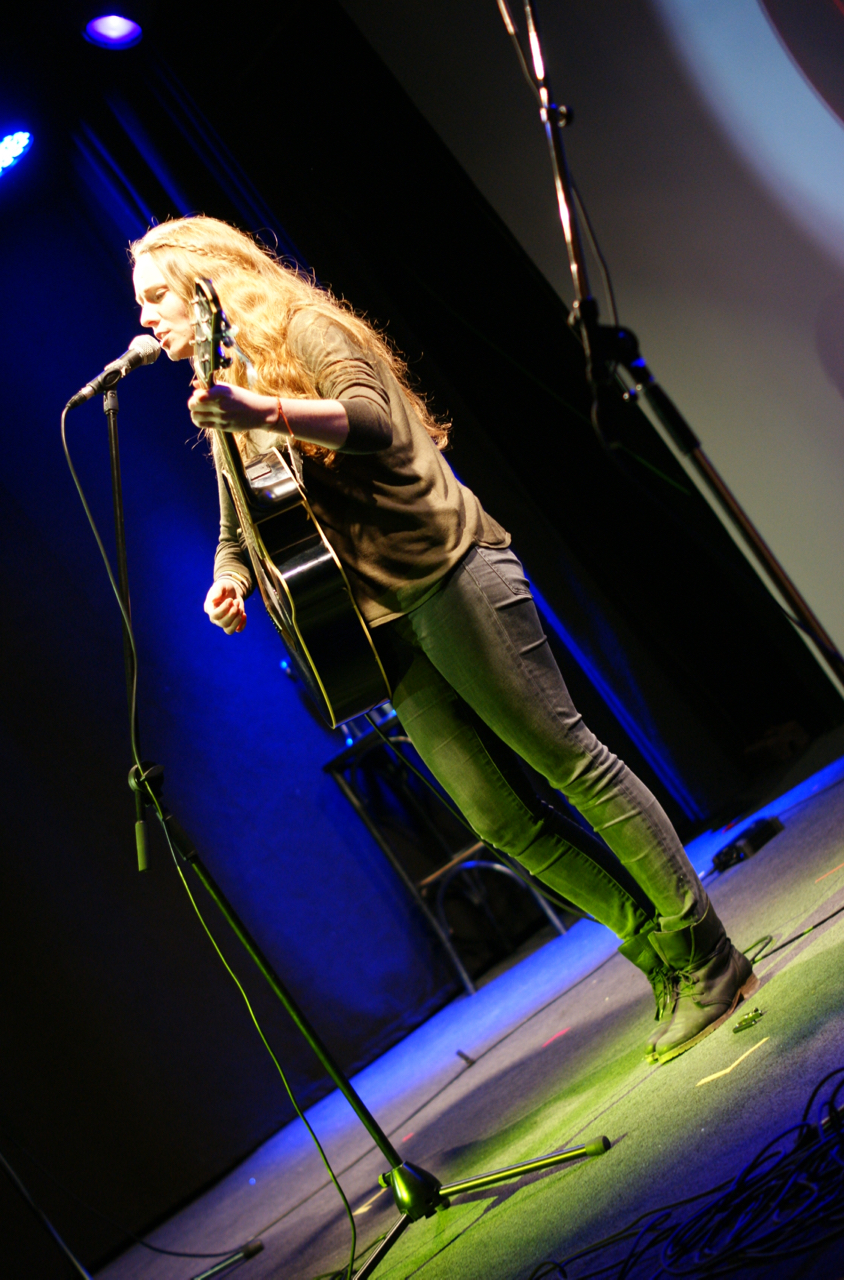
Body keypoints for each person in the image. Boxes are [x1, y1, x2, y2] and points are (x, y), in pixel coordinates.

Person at [131, 215, 758, 1065]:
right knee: (496, 817)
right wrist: (230, 578)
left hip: (451, 572)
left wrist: (262, 408)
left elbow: (374, 423)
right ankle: (657, 951)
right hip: (375, 626)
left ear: (207, 285)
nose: (146, 319)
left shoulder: (306, 330)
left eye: (156, 297)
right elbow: (236, 524)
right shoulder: (219, 394)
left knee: (571, 765)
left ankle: (708, 953)